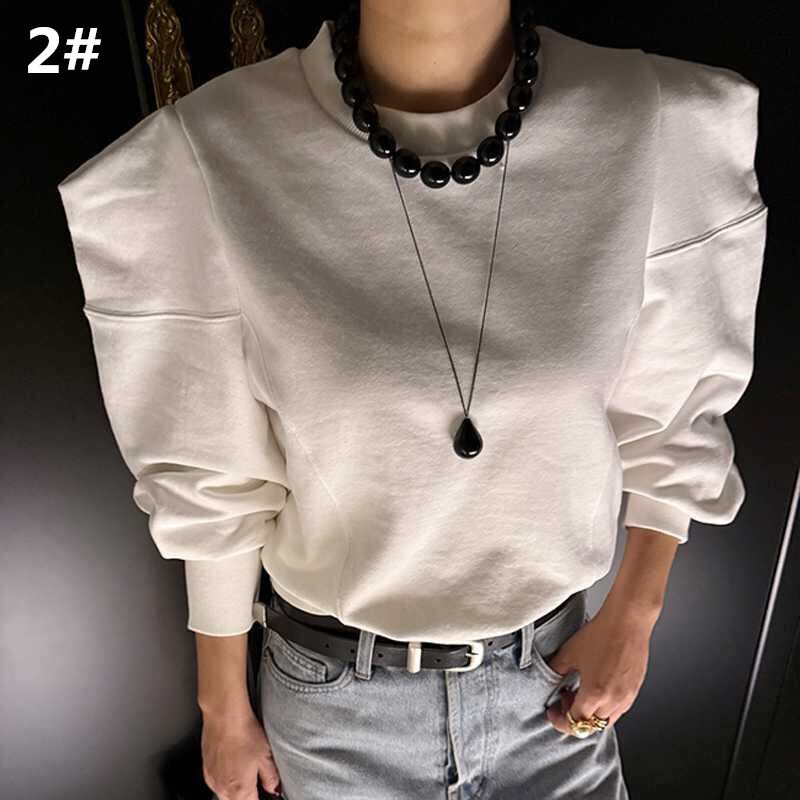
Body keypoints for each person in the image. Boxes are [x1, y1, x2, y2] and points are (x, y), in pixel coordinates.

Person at [56, 0, 767, 798]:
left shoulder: (651, 121)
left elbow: (673, 413)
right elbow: (212, 472)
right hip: (337, 717)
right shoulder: (214, 149)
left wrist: (633, 619)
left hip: (555, 695)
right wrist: (223, 707)